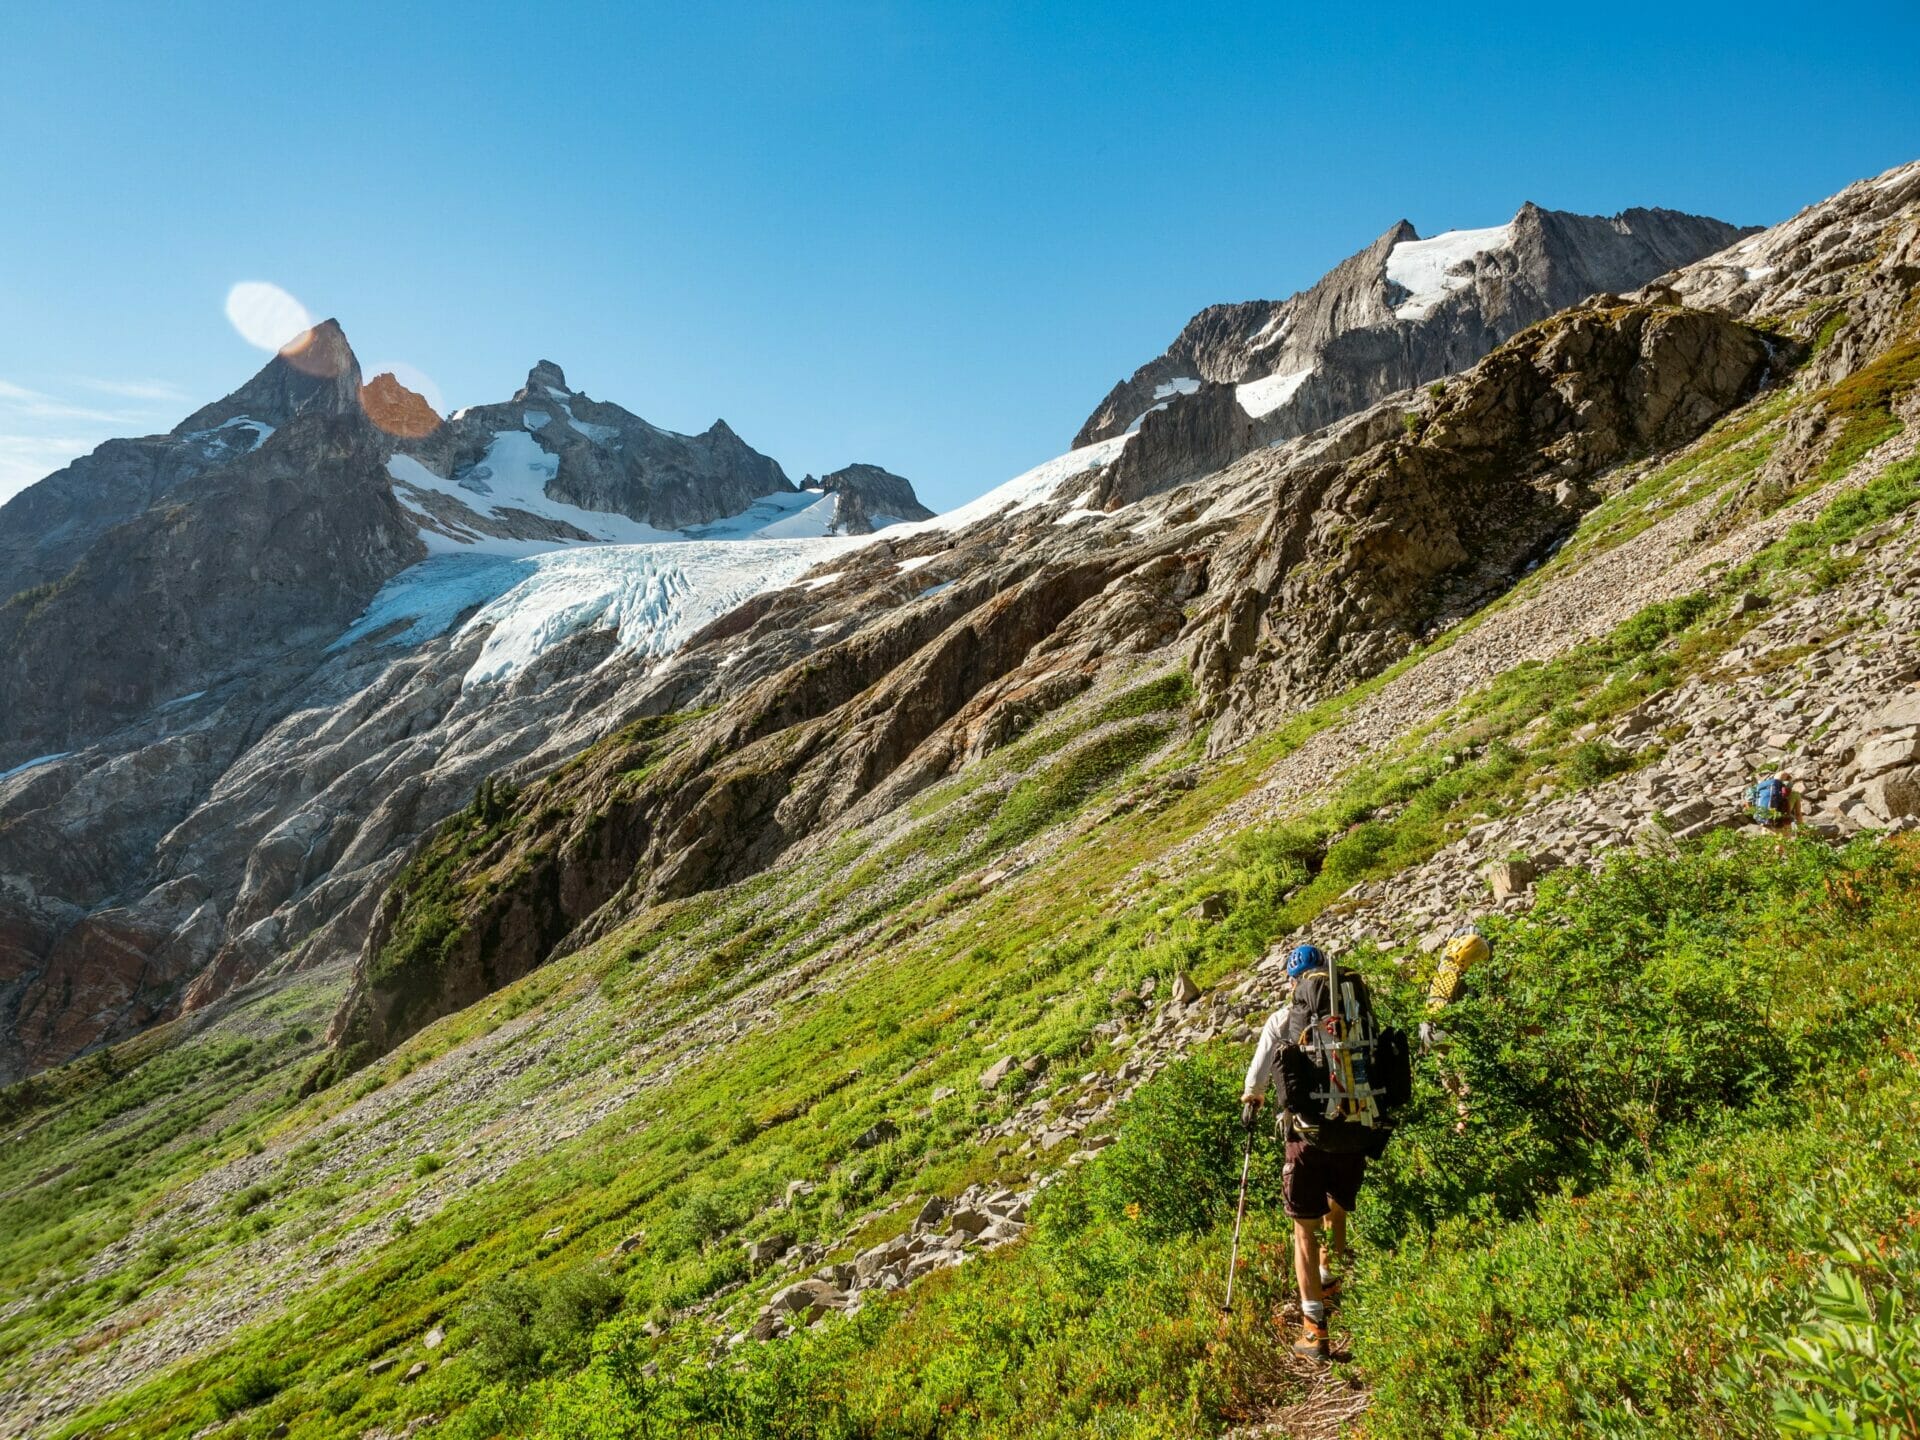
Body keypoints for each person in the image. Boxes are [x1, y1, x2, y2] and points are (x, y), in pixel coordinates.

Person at [1241, 942, 1368, 1361]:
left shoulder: (1284, 1018)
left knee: (1303, 1229)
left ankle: (1314, 1329)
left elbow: (1260, 1069)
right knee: (1338, 1204)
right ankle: (1332, 1276)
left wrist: (1252, 1098)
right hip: (1354, 1123)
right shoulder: (1353, 1007)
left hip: (1306, 1132)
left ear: (1294, 981)